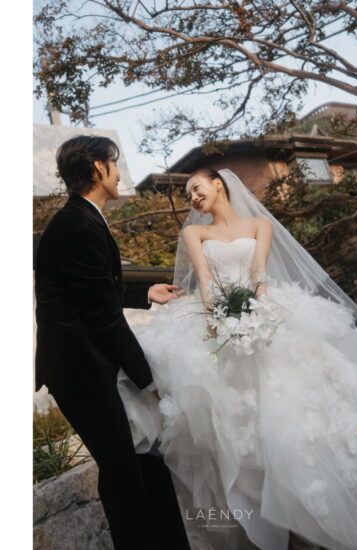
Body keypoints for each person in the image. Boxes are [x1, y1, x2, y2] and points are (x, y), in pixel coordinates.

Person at [119, 168, 357, 550]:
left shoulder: (259, 225)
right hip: (216, 312)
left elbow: (258, 270)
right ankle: (272, 517)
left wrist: (258, 309)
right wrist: (216, 320)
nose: (193, 197)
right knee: (239, 419)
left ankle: (316, 506)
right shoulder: (195, 233)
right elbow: (204, 278)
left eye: (196, 188)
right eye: (188, 195)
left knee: (297, 404)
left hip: (260, 307)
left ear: (218, 183)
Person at [34, 135, 191, 550]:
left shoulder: (82, 220)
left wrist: (145, 293)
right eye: (115, 164)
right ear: (97, 168)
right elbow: (104, 318)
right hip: (79, 369)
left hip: (85, 365)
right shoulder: (78, 225)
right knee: (124, 472)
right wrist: (148, 380)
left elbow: (93, 292)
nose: (120, 173)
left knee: (142, 462)